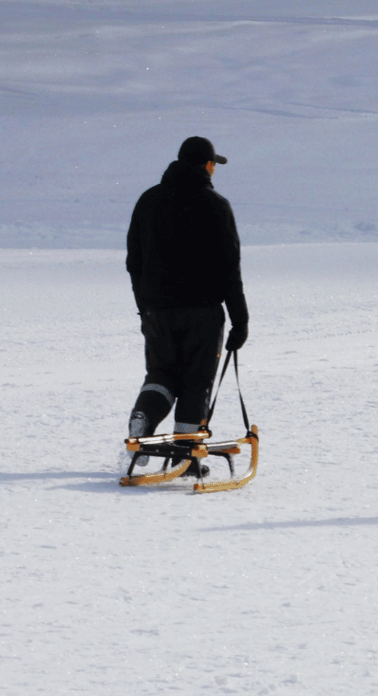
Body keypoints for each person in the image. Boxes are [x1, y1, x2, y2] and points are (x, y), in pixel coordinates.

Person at [124, 136, 248, 463]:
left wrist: (145, 305)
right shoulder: (215, 205)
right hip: (202, 312)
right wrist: (240, 320)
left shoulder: (148, 200)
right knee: (196, 381)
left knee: (161, 374)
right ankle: (185, 456)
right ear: (207, 165)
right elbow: (229, 269)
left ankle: (144, 420)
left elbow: (133, 261)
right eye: (213, 164)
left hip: (157, 311)